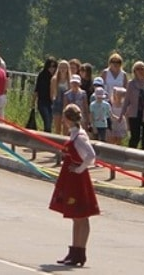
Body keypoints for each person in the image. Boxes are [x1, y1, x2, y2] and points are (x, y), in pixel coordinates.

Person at [49, 104, 99, 267]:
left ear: (69, 119)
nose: (62, 121)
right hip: (71, 177)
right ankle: (74, 251)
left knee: (81, 216)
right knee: (75, 217)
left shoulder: (80, 136)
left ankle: (80, 252)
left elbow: (91, 155)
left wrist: (79, 169)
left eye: (64, 118)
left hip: (78, 179)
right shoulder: (73, 134)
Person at [33, 57, 57, 133]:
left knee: (50, 120)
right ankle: (46, 137)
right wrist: (33, 102)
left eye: (54, 66)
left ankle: (47, 136)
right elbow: (36, 89)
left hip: (52, 102)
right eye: (50, 66)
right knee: (47, 121)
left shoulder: (56, 77)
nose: (52, 68)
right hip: (42, 101)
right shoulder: (42, 75)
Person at [50, 60, 72, 135]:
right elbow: (52, 93)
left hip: (67, 104)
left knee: (66, 127)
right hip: (57, 103)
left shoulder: (70, 80)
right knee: (57, 127)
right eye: (61, 67)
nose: (63, 69)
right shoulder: (54, 79)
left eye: (65, 67)